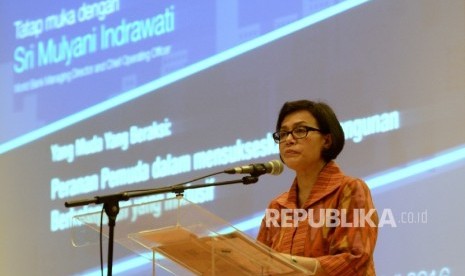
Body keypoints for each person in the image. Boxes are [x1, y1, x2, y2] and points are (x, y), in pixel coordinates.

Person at [257, 100, 378, 275]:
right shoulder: (277, 206)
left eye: (300, 130)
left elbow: (354, 259)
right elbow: (257, 263)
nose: (288, 140)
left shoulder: (349, 190)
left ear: (327, 140)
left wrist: (285, 264)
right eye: (283, 133)